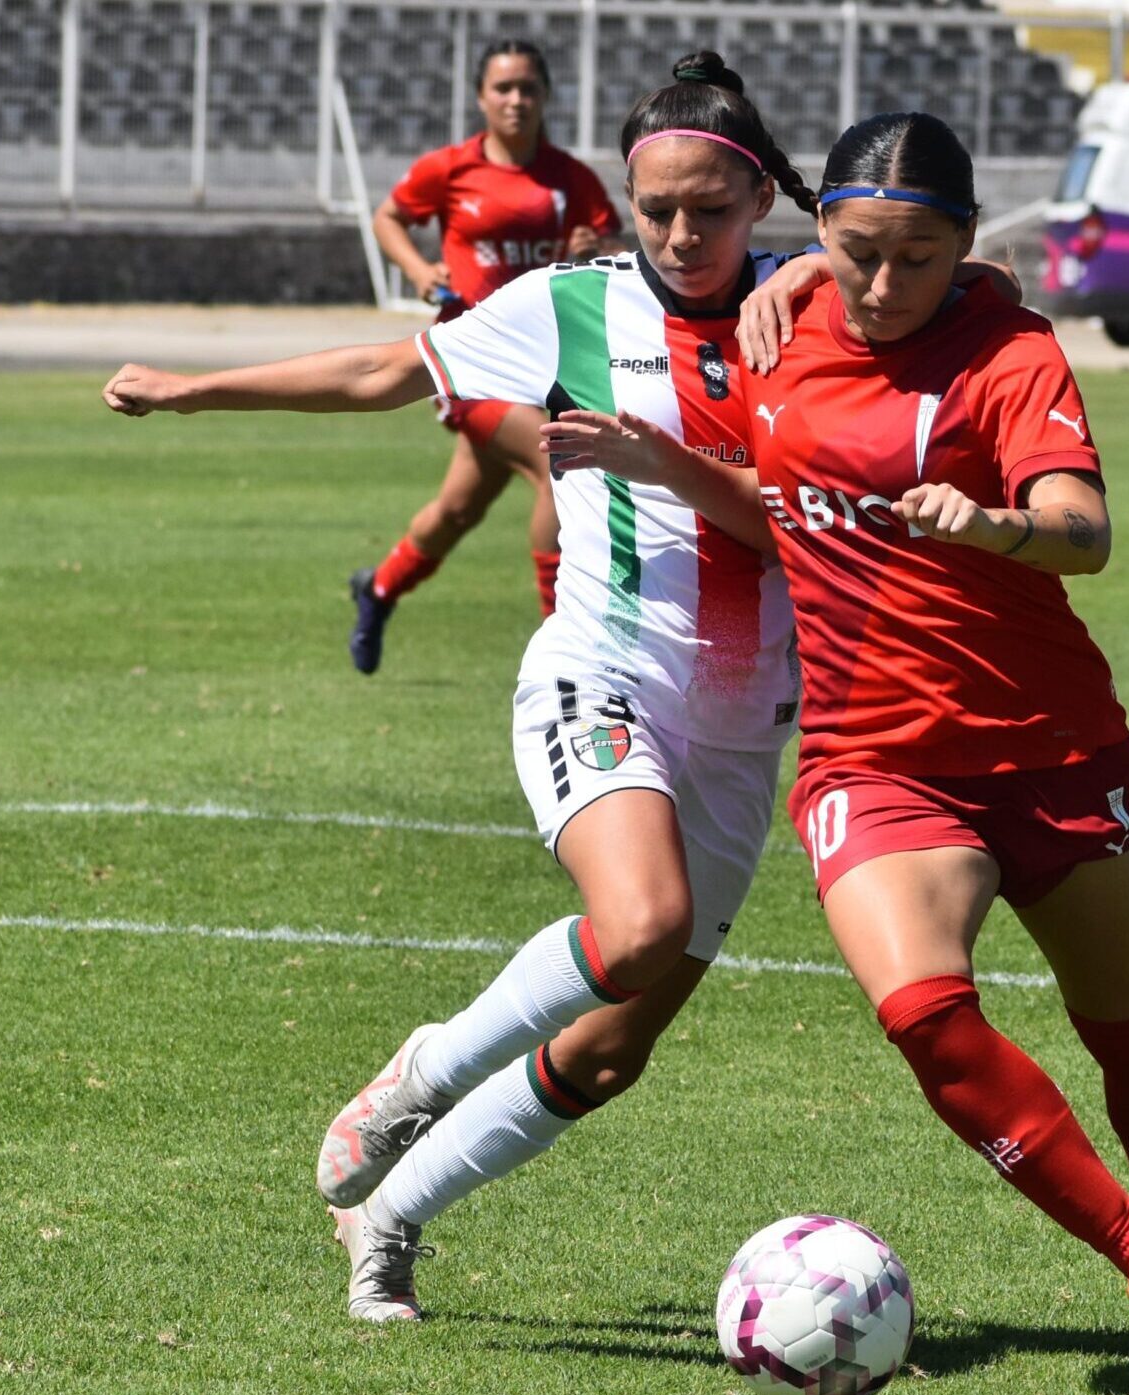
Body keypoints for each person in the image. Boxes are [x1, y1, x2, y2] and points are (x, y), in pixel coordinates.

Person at [106, 51, 836, 1327]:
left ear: (762, 197)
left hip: (741, 729)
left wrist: (829, 259)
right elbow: (391, 371)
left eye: (710, 210)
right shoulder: (573, 307)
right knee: (642, 921)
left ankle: (388, 1217)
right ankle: (421, 1071)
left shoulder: (813, 312)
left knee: (612, 1049)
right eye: (656, 206)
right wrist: (193, 390)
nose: (680, 232)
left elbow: (961, 268)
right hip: (599, 672)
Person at [544, 112, 1129, 1362]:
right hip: (872, 758)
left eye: (918, 256)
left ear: (967, 244)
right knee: (927, 1015)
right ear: (812, 230)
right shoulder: (777, 322)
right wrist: (659, 458)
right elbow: (779, 503)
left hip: (1052, 744)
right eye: (855, 249)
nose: (881, 283)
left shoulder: (1009, 345)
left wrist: (994, 527)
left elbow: (1083, 530)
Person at [348, 39, 622, 672]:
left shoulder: (571, 178)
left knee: (456, 512)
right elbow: (389, 217)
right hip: (470, 366)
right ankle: (568, 648)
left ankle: (379, 588)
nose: (517, 100)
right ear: (481, 98)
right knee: (559, 456)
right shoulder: (450, 168)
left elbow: (608, 252)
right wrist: (419, 271)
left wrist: (594, 245)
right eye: (504, 88)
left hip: (548, 370)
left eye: (528, 87)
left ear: (546, 96)